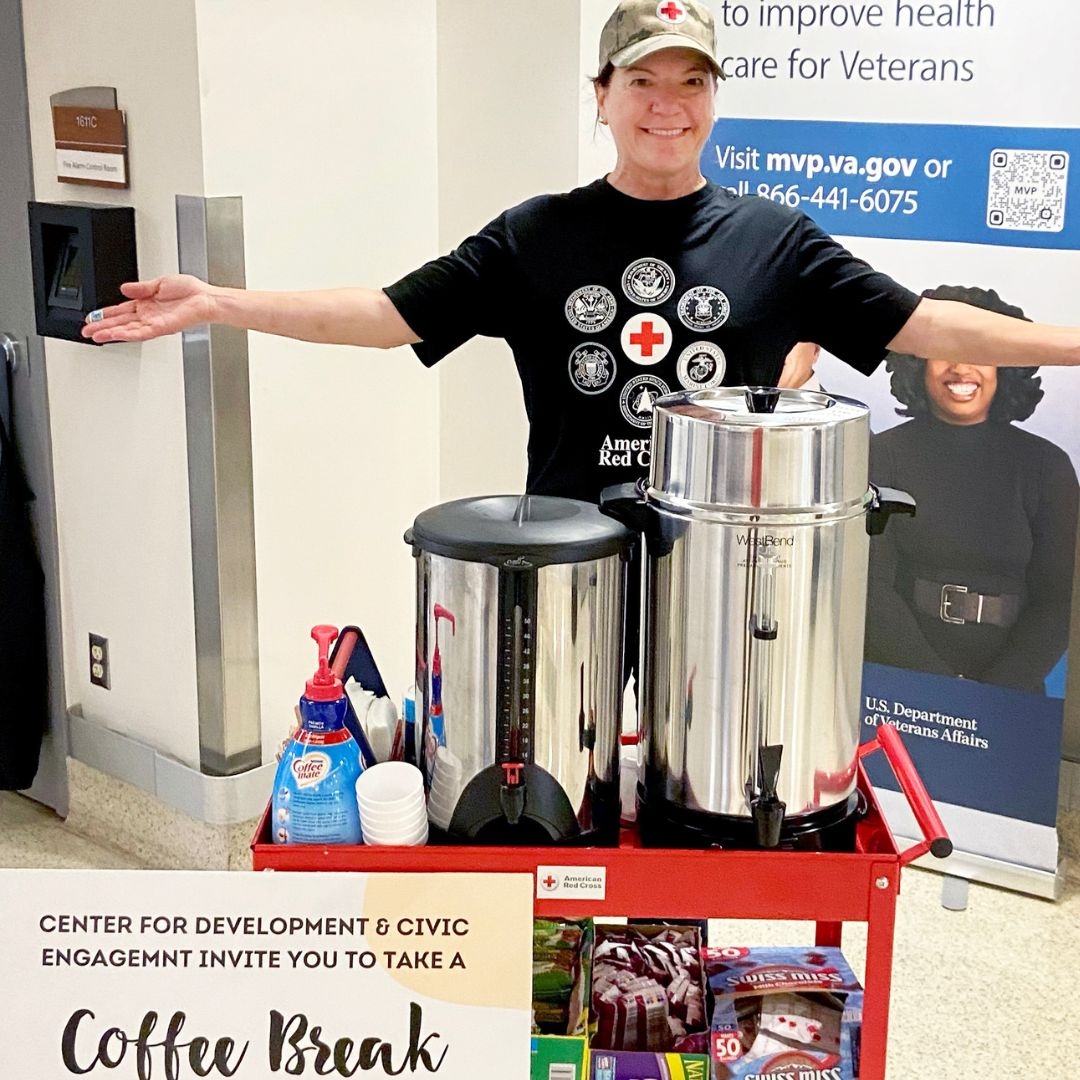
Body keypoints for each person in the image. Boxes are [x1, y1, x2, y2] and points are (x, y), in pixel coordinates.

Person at [82, 0, 1080, 504]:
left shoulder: (777, 240)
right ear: (600, 96)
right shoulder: (535, 235)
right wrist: (220, 303)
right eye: (645, 80)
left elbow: (927, 324)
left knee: (692, 809)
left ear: (713, 103)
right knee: (572, 807)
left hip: (716, 556)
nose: (669, 105)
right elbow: (384, 318)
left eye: (694, 83)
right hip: (570, 552)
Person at [864, 285, 1079, 694]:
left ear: (1007, 367)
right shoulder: (880, 453)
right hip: (900, 682)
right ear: (917, 364)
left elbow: (1058, 601)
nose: (962, 368)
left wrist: (997, 693)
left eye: (981, 353)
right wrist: (942, 688)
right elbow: (871, 587)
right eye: (945, 350)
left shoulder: (1048, 467)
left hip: (1013, 689)